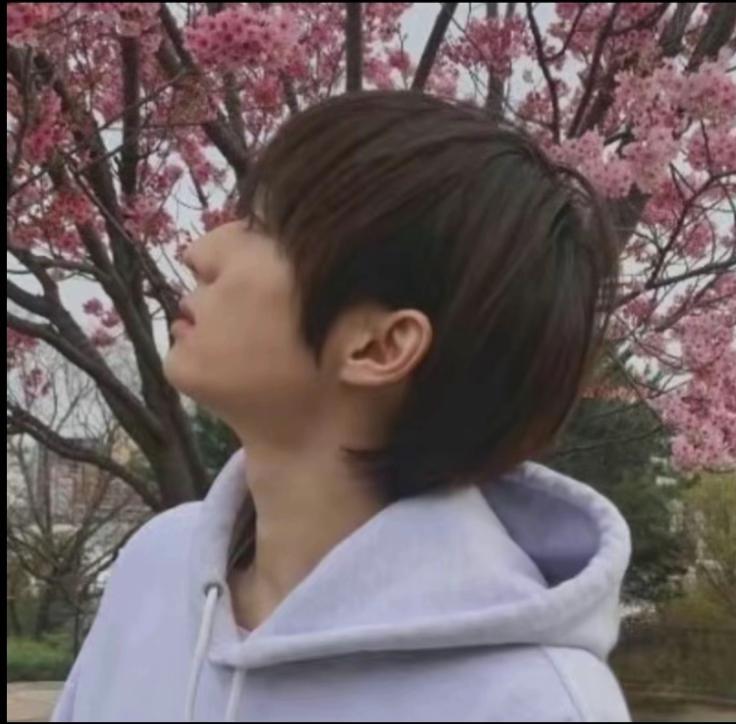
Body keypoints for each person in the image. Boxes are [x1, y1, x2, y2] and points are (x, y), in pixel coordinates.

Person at [51, 90, 632, 722]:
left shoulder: (534, 704)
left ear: (380, 346)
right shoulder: (157, 570)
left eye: (262, 227)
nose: (200, 251)